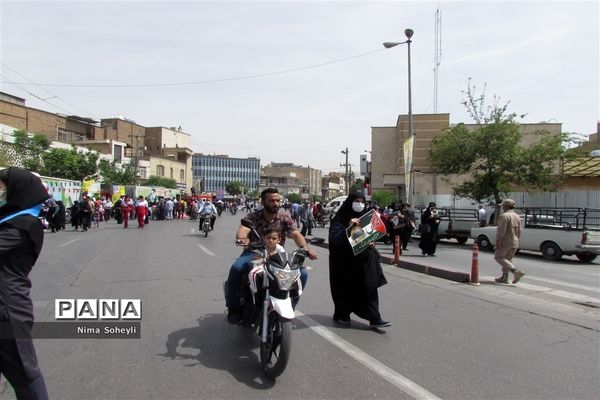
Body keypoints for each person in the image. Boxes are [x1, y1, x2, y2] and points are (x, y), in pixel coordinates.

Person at [226, 188, 317, 324]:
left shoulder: (284, 218)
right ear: (263, 202)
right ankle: (233, 308)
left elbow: (296, 234)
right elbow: (243, 230)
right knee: (237, 269)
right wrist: (242, 238)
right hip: (254, 253)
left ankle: (290, 306)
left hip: (277, 256)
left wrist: (305, 249)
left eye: (277, 200)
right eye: (271, 201)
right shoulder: (252, 217)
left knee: (302, 274)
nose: (275, 203)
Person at [0, 167, 50, 399]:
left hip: (7, 312)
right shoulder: (11, 221)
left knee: (25, 376)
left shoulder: (21, 226)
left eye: (2, 188)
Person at [328, 192, 390, 329]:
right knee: (345, 288)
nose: (360, 203)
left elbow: (365, 236)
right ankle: (342, 313)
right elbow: (335, 239)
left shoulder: (366, 216)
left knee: (370, 286)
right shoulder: (340, 219)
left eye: (362, 201)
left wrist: (371, 241)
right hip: (345, 263)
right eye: (357, 200)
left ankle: (375, 318)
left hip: (364, 261)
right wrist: (348, 227)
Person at [494, 199, 525, 284]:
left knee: (499, 257)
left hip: (506, 240)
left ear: (506, 206)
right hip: (515, 240)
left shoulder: (504, 216)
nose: (502, 207)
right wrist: (517, 239)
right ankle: (505, 277)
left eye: (503, 206)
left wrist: (498, 240)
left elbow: (501, 229)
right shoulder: (517, 216)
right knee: (508, 259)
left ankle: (515, 271)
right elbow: (519, 230)